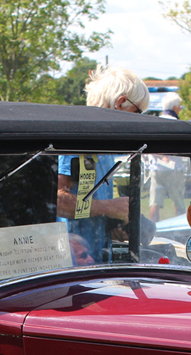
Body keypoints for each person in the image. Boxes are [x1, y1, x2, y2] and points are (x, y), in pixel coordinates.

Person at [56, 66, 148, 261]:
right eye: (138, 112)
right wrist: (109, 207)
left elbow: (89, 202)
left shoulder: (104, 144)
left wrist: (111, 225)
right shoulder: (74, 139)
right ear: (120, 102)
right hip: (70, 264)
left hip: (95, 261)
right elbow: (56, 200)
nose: (138, 121)